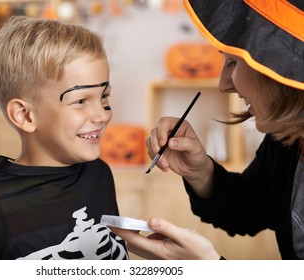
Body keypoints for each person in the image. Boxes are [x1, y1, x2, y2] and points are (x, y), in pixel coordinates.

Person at [111, 0, 304, 260]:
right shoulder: (287, 140)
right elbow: (252, 208)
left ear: (279, 68)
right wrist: (200, 171)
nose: (224, 84)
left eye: (233, 63)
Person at [0, 16, 128, 260]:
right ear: (24, 115)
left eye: (104, 96)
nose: (102, 115)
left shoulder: (98, 174)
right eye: (80, 101)